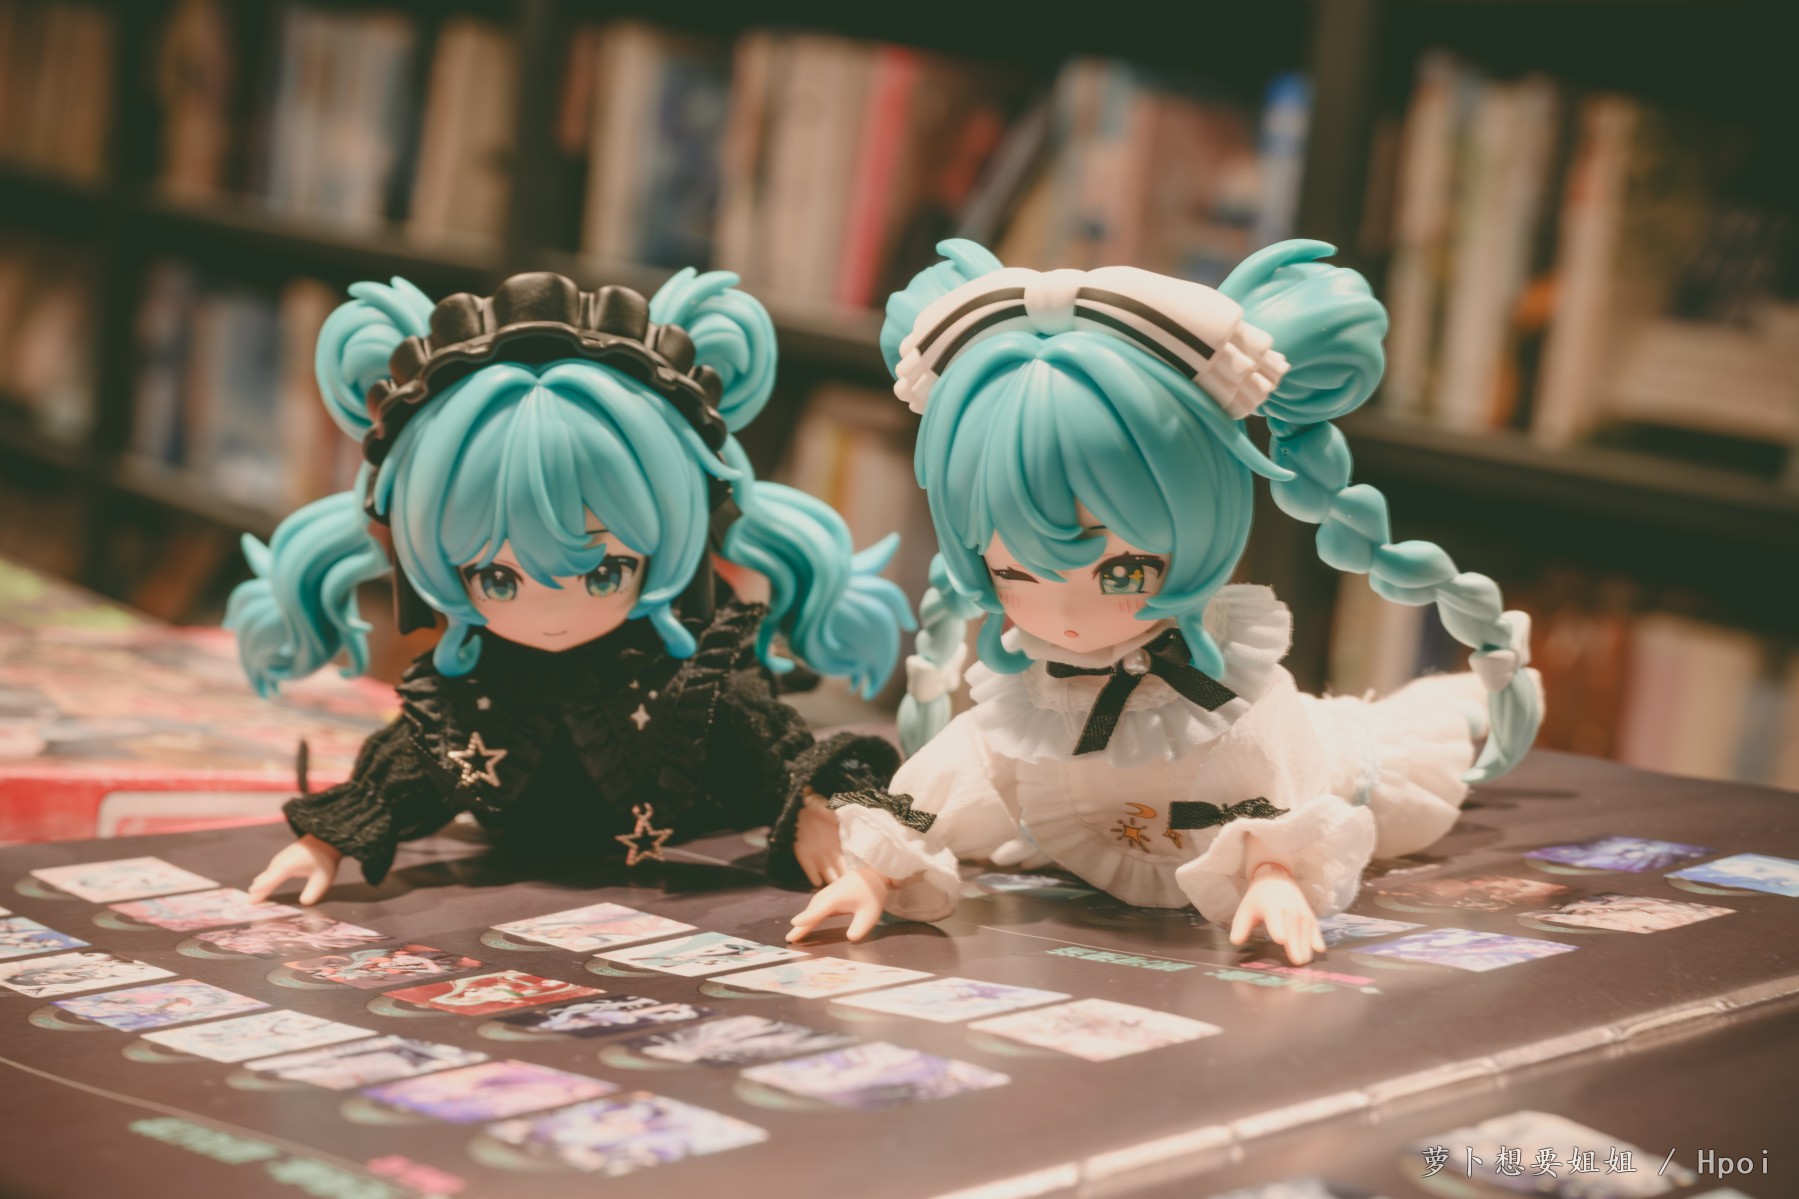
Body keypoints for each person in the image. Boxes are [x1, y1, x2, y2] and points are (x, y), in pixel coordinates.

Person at [788, 239, 1540, 964]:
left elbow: (1271, 771)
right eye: (1015, 573)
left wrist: (1273, 874)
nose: (1065, 615)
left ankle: (1464, 696)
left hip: (1328, 763)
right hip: (1102, 842)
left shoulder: (1230, 692)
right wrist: (874, 873)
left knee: (1400, 736)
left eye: (1121, 572)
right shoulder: (1030, 693)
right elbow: (958, 769)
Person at [230, 269, 913, 902]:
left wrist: (847, 838)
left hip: (690, 882)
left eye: (605, 571)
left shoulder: (684, 680)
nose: (552, 609)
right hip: (506, 894)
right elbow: (408, 771)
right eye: (497, 577)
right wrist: (324, 843)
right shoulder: (475, 685)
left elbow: (790, 759)